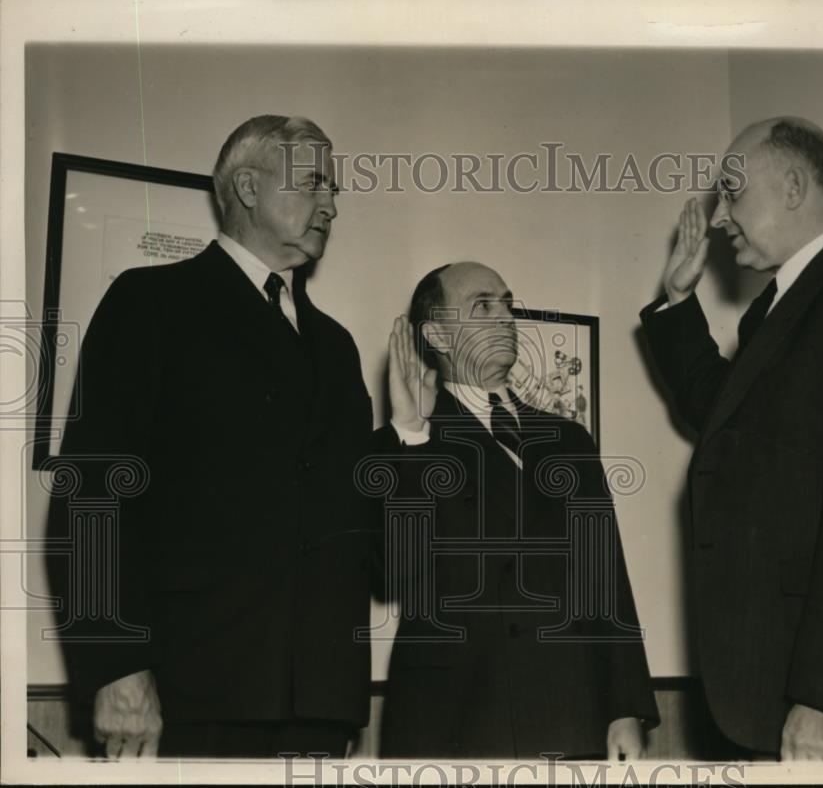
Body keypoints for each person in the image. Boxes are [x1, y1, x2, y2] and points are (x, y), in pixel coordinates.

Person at [47, 115, 384, 759]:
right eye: (314, 183)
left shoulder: (335, 345)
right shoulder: (151, 301)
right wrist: (117, 666)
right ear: (249, 188)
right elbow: (90, 495)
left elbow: (350, 519)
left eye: (334, 189)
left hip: (318, 705)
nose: (332, 205)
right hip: (188, 695)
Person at [639, 117, 823, 760]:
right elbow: (724, 417)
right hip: (768, 701)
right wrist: (676, 302)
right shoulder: (783, 307)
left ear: (795, 186)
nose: (720, 218)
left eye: (732, 193)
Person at [376, 263, 659, 760]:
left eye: (508, 304)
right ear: (438, 332)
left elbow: (606, 579)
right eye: (483, 305)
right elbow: (393, 571)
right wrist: (412, 434)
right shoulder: (405, 441)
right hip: (452, 719)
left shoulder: (568, 440)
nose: (506, 317)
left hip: (567, 714)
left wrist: (625, 708)